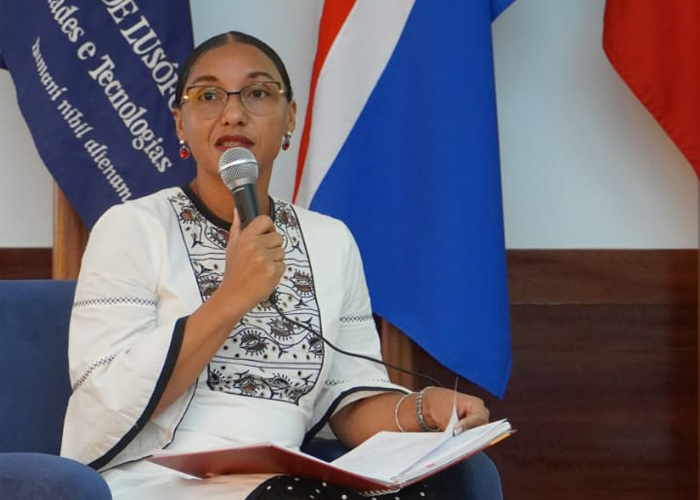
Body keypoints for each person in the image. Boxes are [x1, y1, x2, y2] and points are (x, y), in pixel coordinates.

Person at [60, 31, 494, 500]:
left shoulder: (330, 240)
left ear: (290, 117)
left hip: (286, 479)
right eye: (208, 95)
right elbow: (105, 401)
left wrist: (426, 410)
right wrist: (232, 297)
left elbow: (349, 399)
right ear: (180, 124)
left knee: (445, 485)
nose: (233, 113)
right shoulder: (132, 228)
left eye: (258, 93)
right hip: (159, 480)